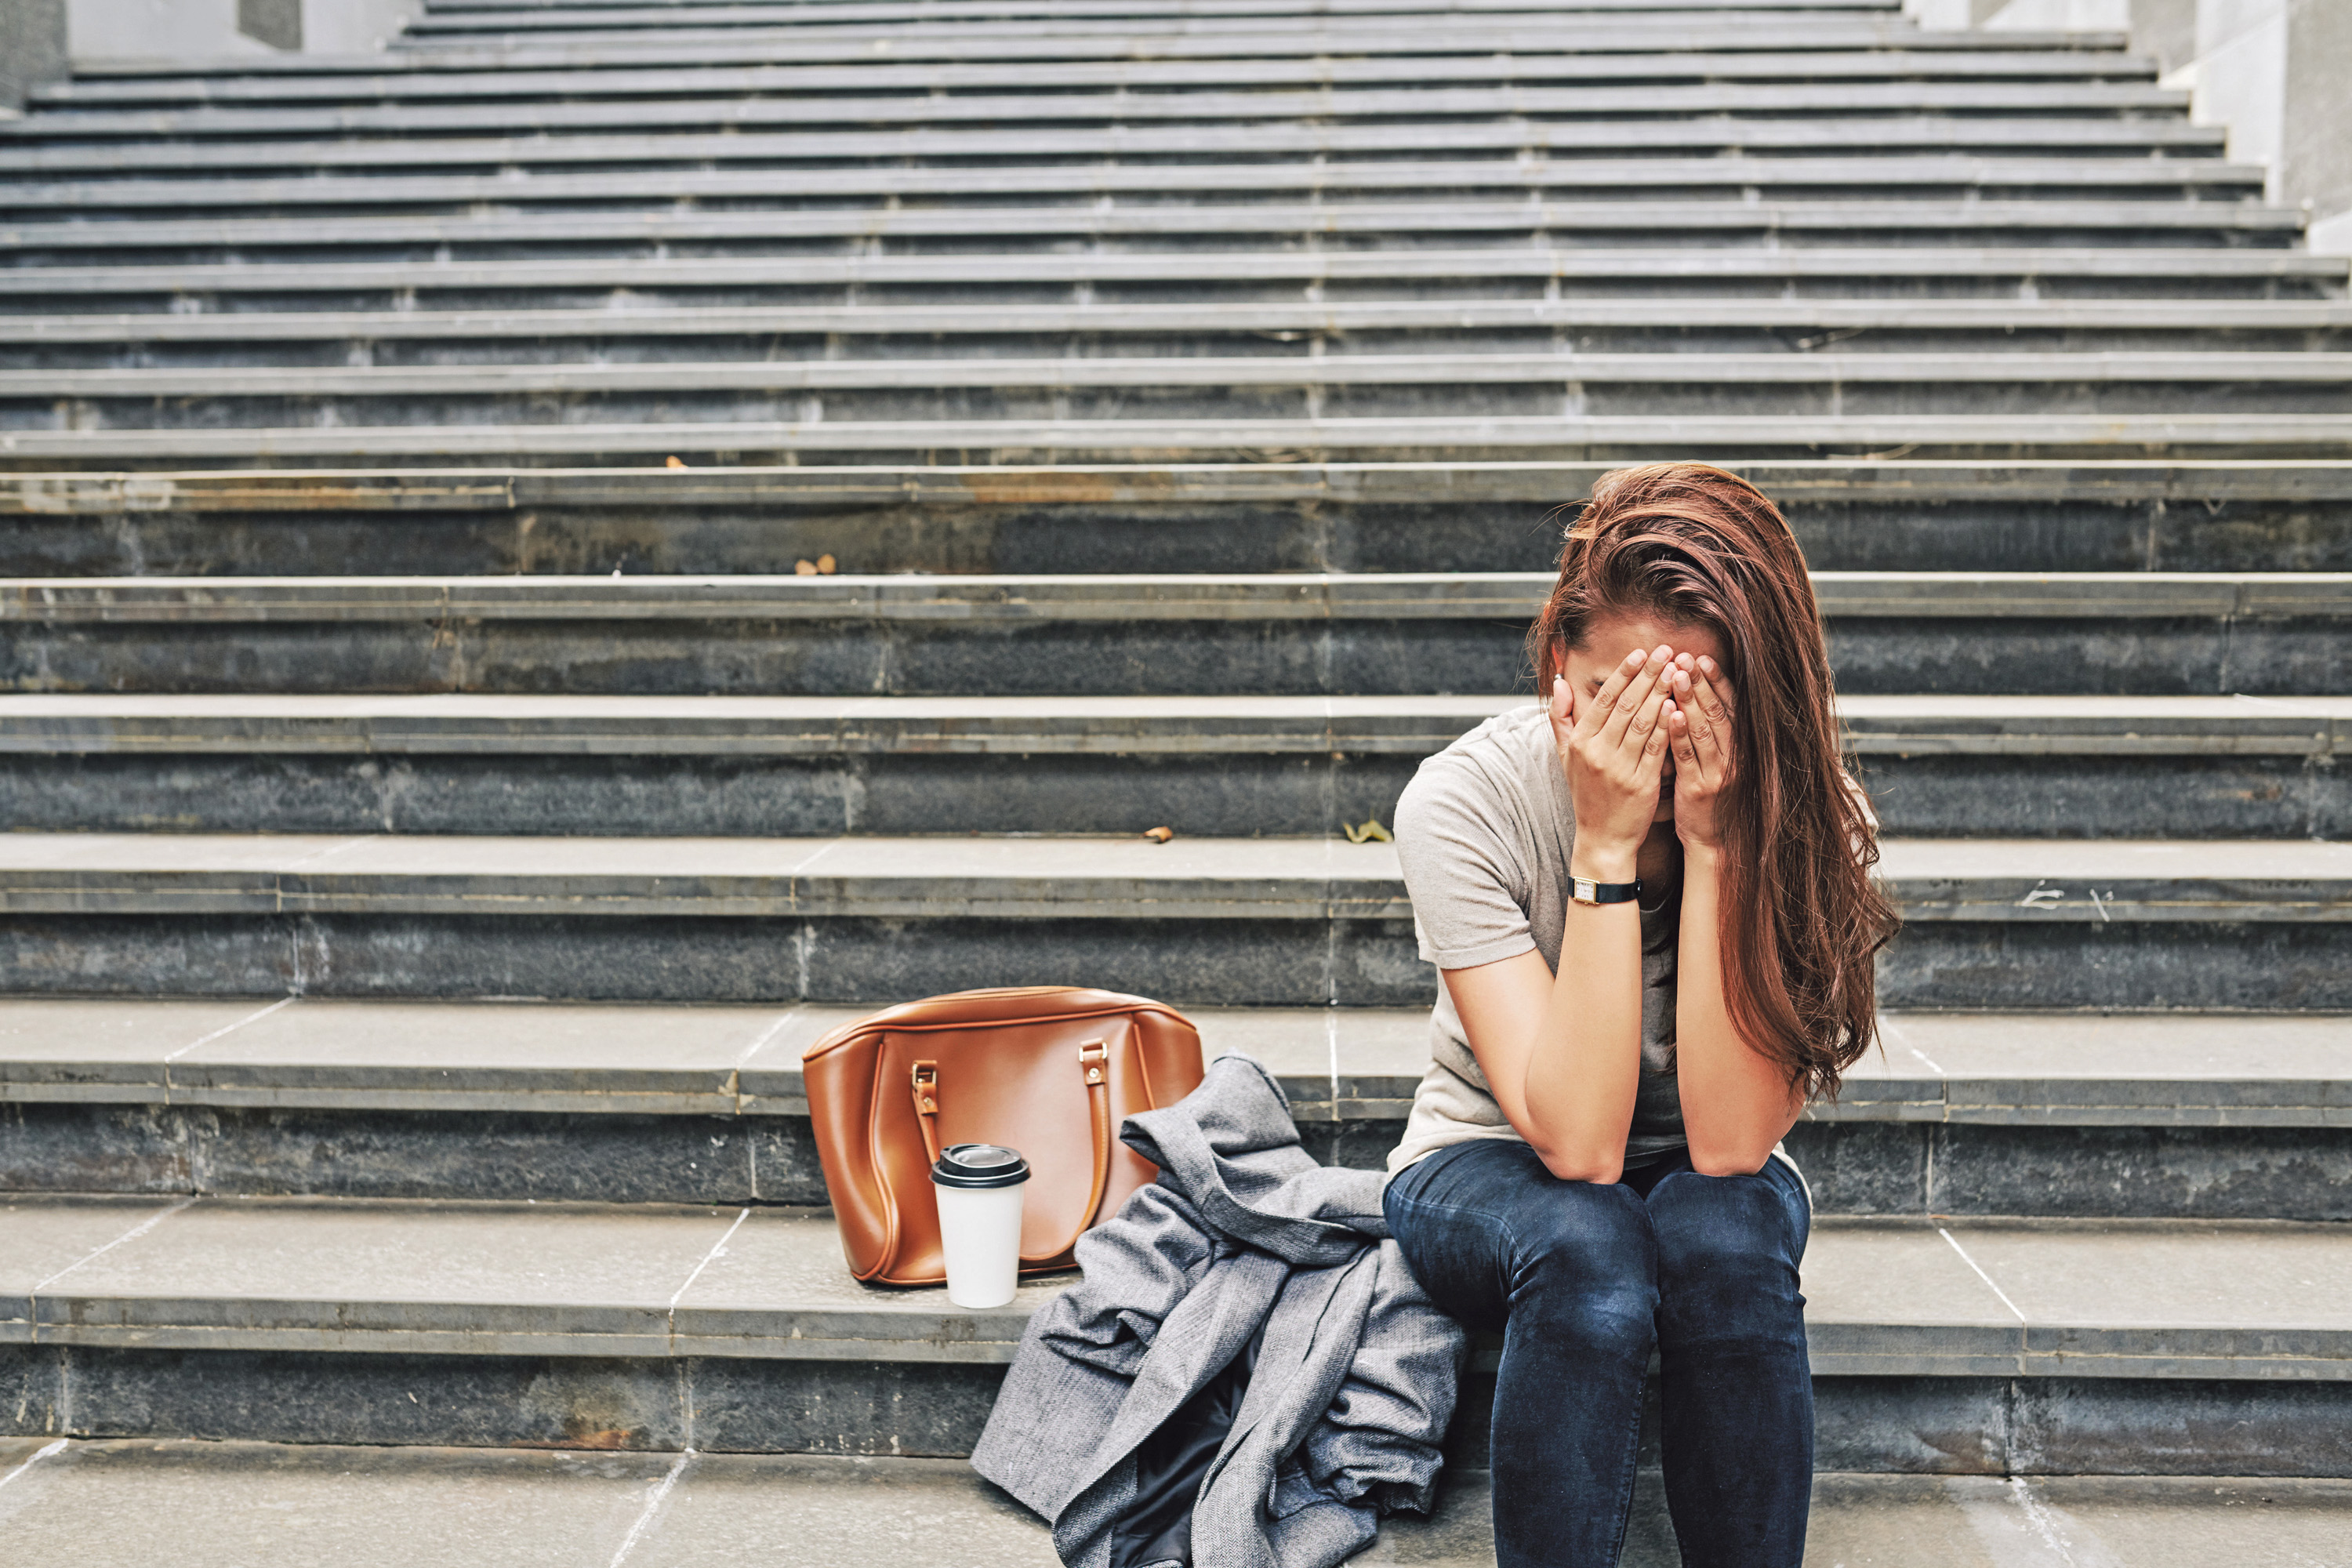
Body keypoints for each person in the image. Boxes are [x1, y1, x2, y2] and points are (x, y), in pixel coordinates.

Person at [1381, 462, 1899, 1568]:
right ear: (1558, 671)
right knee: (1587, 1237)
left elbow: (1726, 1144)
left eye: (1695, 701)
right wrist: (1604, 847)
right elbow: (1576, 1143)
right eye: (1619, 694)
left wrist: (1720, 842)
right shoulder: (1465, 800)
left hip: (1705, 1161)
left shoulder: (1807, 810)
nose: (1653, 740)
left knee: (1724, 1233)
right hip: (1486, 1155)